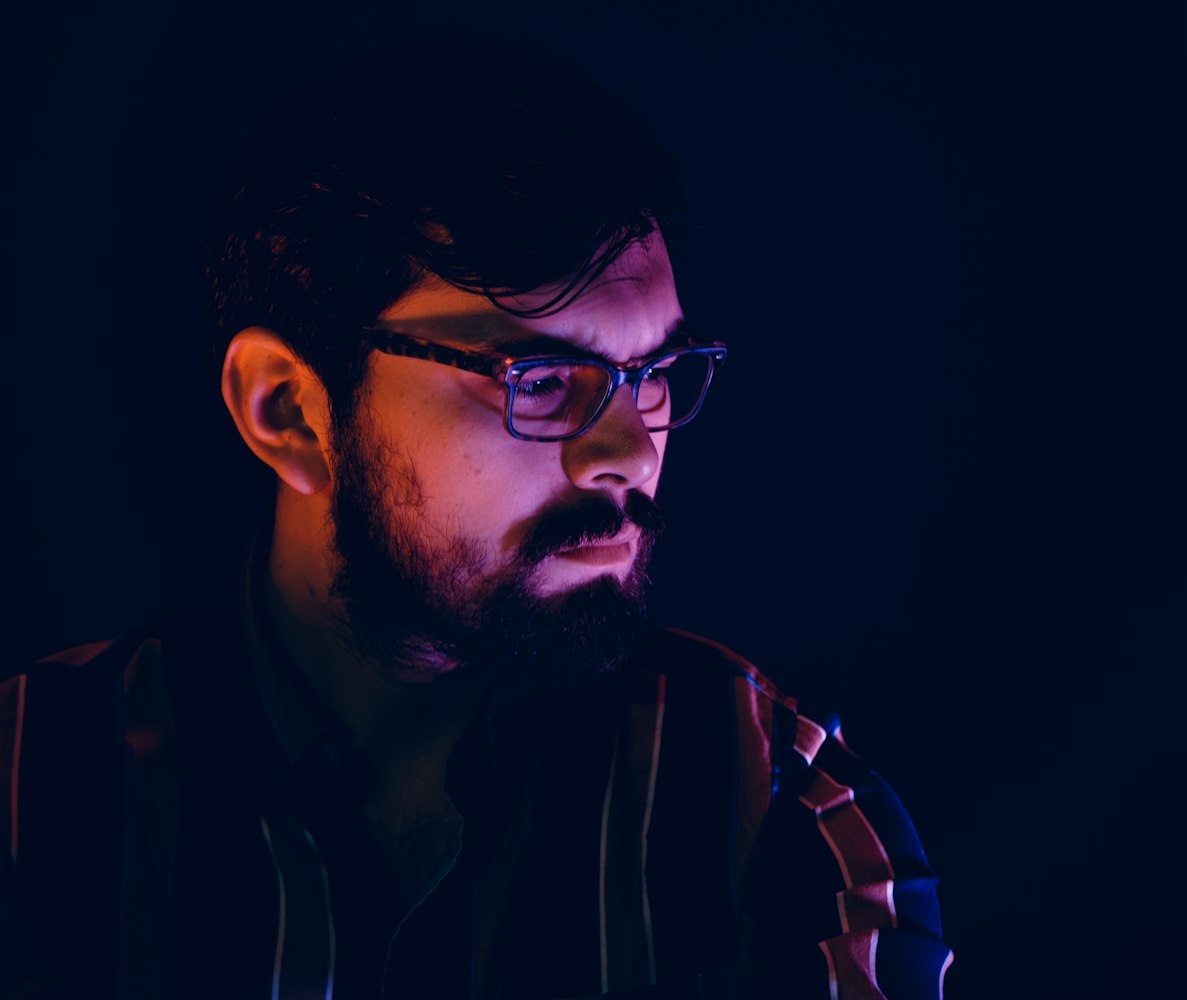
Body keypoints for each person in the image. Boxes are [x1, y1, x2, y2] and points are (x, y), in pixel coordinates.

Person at [0, 33, 950, 999]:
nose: (630, 450)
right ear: (288, 410)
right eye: (539, 379)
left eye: (655, 372)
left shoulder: (774, 811)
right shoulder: (29, 792)